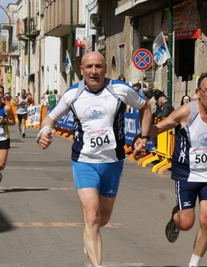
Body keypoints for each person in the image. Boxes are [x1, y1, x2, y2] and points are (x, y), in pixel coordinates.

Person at [36, 51, 152, 267]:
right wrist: (43, 134)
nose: (94, 71)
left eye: (98, 66)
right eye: (89, 67)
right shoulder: (72, 94)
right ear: (81, 70)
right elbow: (50, 118)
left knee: (103, 218)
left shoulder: (120, 90)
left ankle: (90, 240)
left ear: (105, 69)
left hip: (112, 162)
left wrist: (143, 137)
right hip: (84, 161)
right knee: (91, 214)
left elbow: (145, 107)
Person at [133, 72, 207, 267]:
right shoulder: (186, 112)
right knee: (187, 223)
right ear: (199, 93)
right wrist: (143, 139)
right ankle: (175, 217)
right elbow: (160, 127)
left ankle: (193, 264)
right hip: (186, 174)